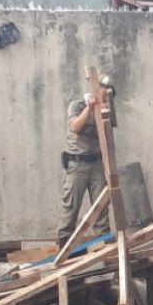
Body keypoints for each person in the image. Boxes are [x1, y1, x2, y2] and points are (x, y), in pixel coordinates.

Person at [55, 87, 109, 249]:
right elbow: (75, 127)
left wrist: (104, 110)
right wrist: (90, 108)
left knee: (101, 205)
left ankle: (104, 244)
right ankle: (64, 245)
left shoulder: (105, 108)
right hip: (77, 163)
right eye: (103, 93)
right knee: (71, 205)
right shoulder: (77, 105)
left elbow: (107, 133)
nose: (104, 97)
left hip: (97, 163)